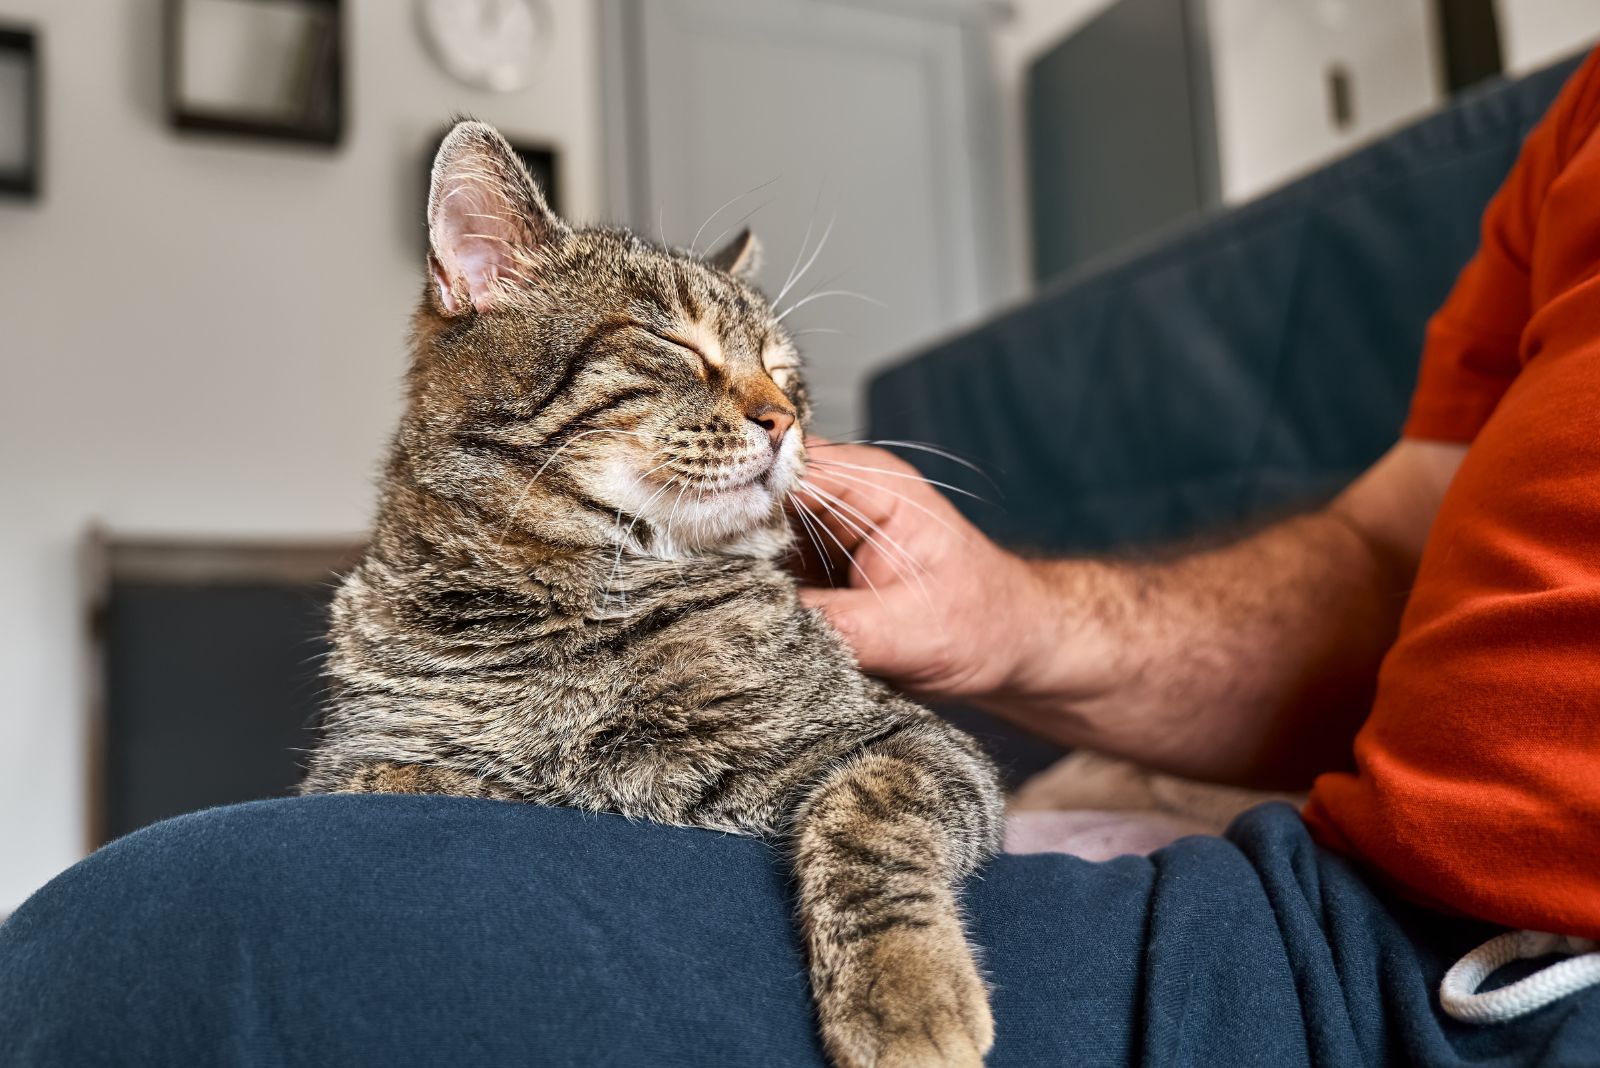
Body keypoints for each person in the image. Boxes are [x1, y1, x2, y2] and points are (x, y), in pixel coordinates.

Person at [5, 47, 1600, 1068]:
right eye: (693, 369)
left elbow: (923, 772)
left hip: (1464, 974)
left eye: (775, 377)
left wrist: (882, 910)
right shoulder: (1562, 158)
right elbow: (1398, 549)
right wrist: (1026, 625)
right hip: (1359, 902)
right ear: (476, 298)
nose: (766, 415)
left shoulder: (730, 613)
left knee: (151, 960)